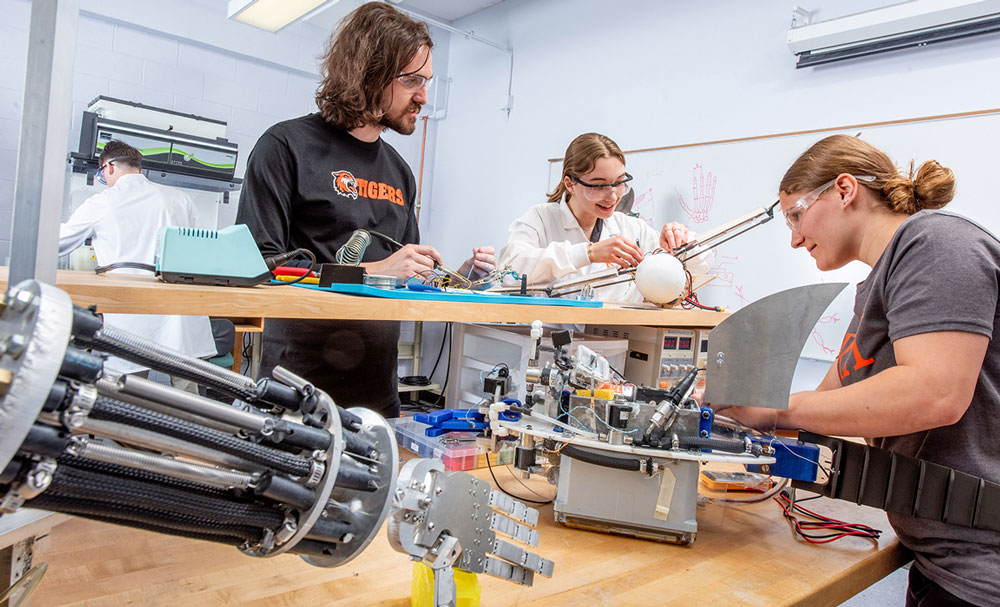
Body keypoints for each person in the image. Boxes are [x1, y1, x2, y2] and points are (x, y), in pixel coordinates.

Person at [712, 134, 1000, 607]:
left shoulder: (937, 244)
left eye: (795, 215)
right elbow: (827, 399)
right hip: (940, 556)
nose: (794, 238)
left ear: (844, 190)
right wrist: (736, 410)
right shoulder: (877, 287)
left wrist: (777, 410)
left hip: (981, 568)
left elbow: (935, 393)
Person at [235, 2, 494, 419]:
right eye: (411, 80)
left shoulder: (399, 171)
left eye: (427, 81)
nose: (423, 97)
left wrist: (455, 279)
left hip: (378, 399)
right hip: (297, 394)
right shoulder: (285, 147)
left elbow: (406, 276)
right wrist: (371, 272)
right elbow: (259, 267)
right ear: (367, 75)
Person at [58, 140, 216, 391]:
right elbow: (205, 249)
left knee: (127, 392)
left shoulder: (102, 202)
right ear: (138, 168)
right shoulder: (178, 199)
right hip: (178, 310)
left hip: (129, 312)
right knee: (188, 396)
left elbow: (58, 242)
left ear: (109, 168)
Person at [498, 132, 712, 303]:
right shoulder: (540, 219)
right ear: (570, 183)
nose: (612, 196)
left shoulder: (631, 228)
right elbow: (509, 273)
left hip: (616, 342)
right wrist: (588, 253)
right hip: (545, 341)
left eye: (619, 183)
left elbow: (702, 264)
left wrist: (682, 242)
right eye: (599, 186)